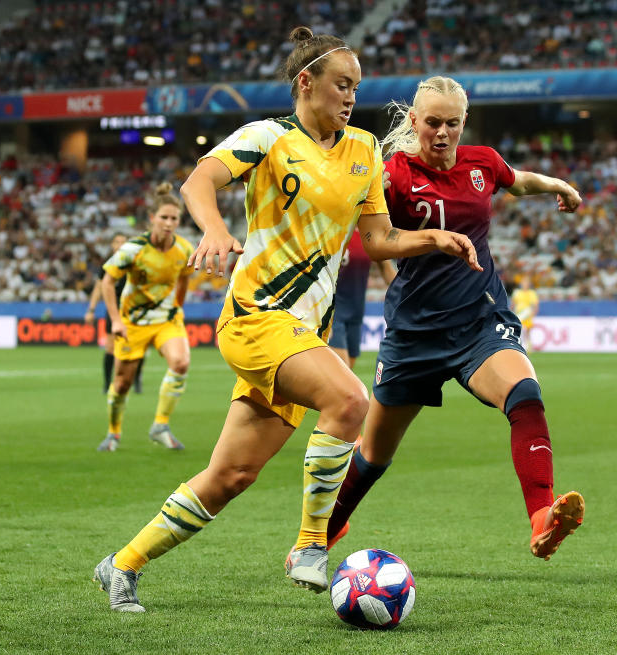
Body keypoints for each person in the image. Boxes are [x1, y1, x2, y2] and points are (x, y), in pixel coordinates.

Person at [92, 28, 482, 612]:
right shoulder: (269, 137)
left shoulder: (364, 151)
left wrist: (433, 238)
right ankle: (309, 547)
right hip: (256, 317)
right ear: (307, 82)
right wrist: (216, 228)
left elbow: (377, 238)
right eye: (341, 84)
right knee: (351, 400)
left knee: (231, 476)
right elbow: (199, 180)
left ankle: (120, 565)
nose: (351, 96)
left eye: (357, 87)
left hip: (302, 334)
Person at [326, 76, 586, 563]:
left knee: (525, 394)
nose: (442, 133)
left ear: (463, 122)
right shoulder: (392, 175)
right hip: (413, 333)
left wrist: (558, 185)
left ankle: (541, 516)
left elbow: (518, 181)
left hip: (478, 320)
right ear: (413, 122)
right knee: (373, 454)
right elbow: (375, 239)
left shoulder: (482, 163)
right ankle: (325, 529)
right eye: (432, 123)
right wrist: (432, 238)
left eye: (452, 123)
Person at [95, 183, 194, 453]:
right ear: (152, 218)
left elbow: (184, 279)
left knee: (181, 362)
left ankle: (160, 425)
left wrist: (178, 307)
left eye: (174, 218)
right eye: (164, 217)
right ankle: (113, 433)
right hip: (133, 323)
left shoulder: (184, 249)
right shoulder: (133, 249)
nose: (169, 223)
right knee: (122, 383)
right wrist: (115, 320)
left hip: (166, 320)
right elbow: (107, 282)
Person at [85, 233, 144, 395]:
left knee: (136, 347)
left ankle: (137, 380)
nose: (120, 245)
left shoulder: (135, 262)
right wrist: (91, 310)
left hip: (133, 309)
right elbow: (98, 288)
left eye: (123, 242)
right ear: (112, 245)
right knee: (110, 347)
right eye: (117, 241)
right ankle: (106, 383)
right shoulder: (107, 266)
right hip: (113, 309)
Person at [328, 232, 396, 368]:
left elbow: (388, 272)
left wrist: (410, 296)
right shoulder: (334, 232)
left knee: (348, 371)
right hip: (333, 313)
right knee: (343, 375)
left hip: (356, 313)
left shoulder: (368, 234)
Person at [511, 275, 539, 353]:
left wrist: (532, 315)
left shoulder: (532, 293)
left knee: (527, 332)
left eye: (526, 282)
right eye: (523, 282)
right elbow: (513, 305)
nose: (525, 284)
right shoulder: (517, 292)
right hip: (519, 315)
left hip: (528, 316)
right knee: (519, 332)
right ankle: (519, 346)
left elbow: (535, 306)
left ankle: (529, 347)